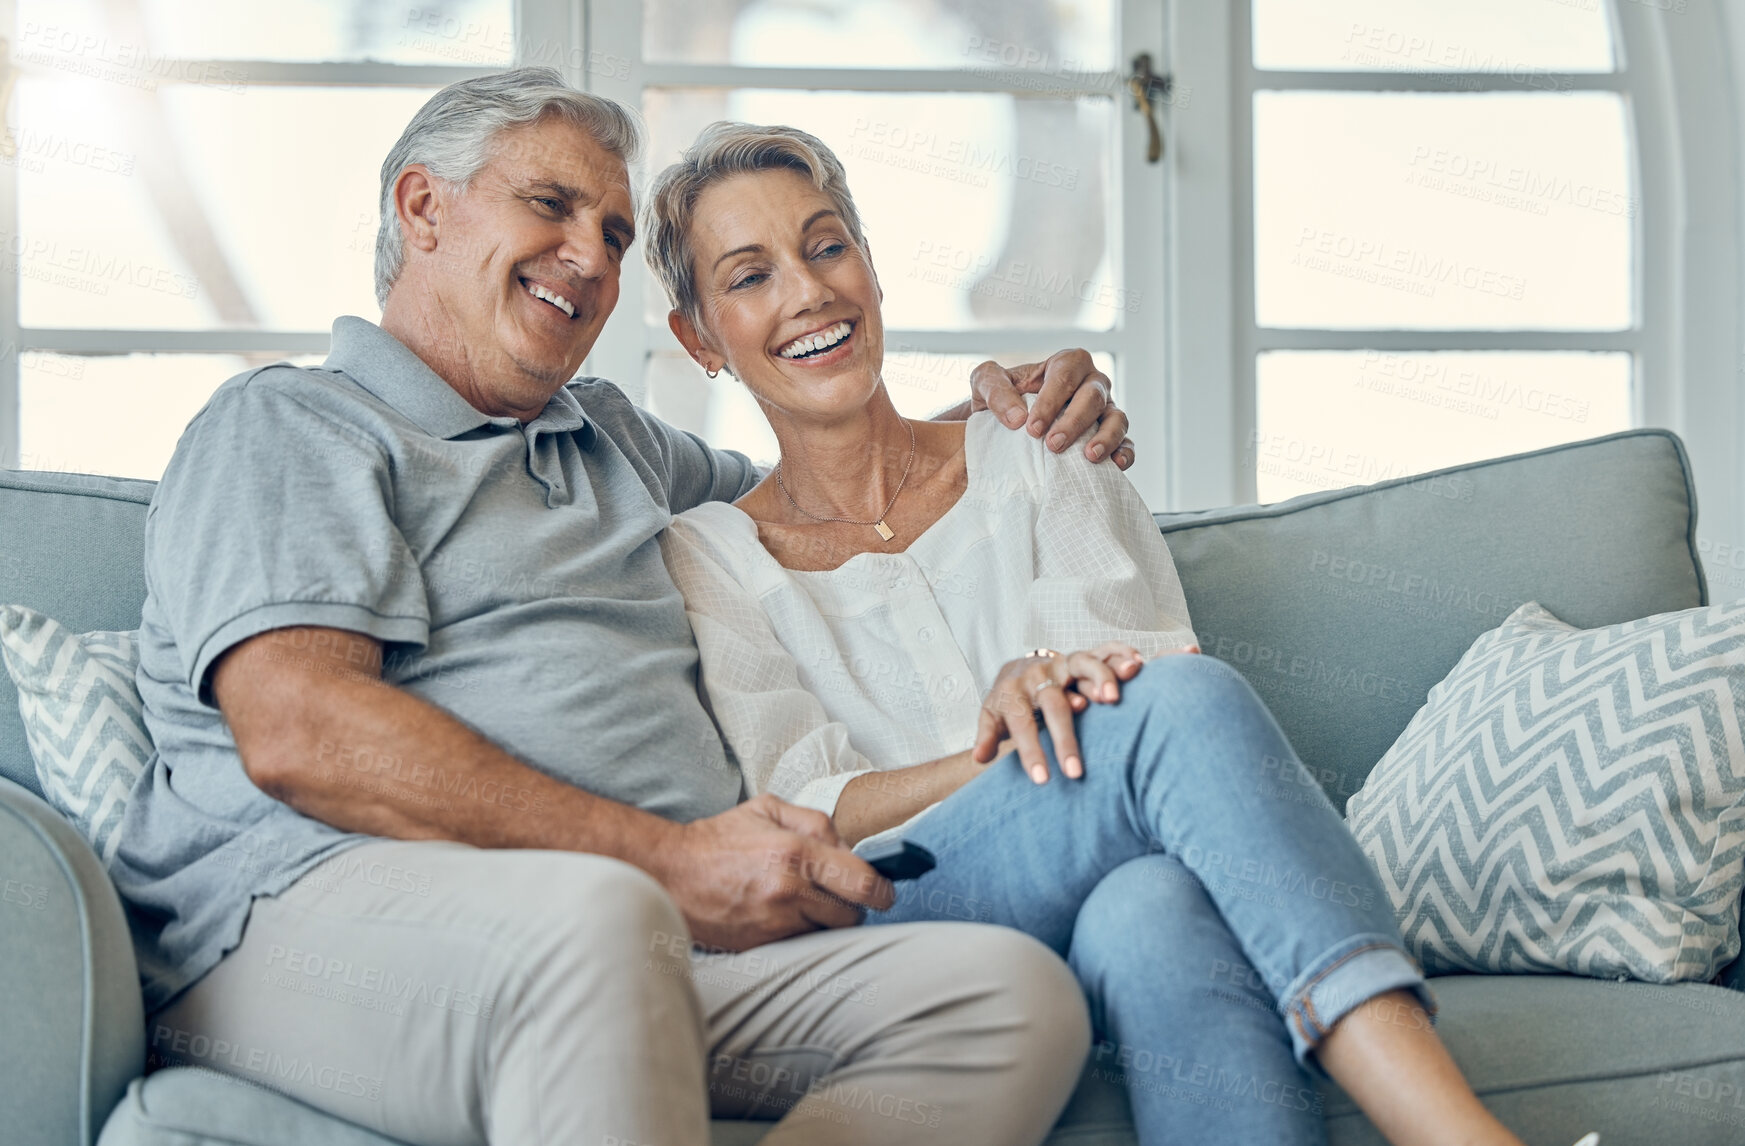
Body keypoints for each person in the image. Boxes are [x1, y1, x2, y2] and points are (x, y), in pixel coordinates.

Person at [113, 69, 1135, 1146]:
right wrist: (664, 861)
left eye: (610, 232)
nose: (593, 258)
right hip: (303, 924)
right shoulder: (294, 425)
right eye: (550, 207)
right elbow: (300, 730)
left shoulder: (613, 440)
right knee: (600, 923)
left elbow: (827, 499)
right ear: (423, 209)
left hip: (641, 945)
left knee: (1004, 995)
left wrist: (1013, 426)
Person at [648, 122, 1599, 1146]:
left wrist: (1063, 696)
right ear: (701, 339)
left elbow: (1128, 678)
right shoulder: (709, 553)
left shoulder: (1037, 445)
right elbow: (809, 809)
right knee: (1176, 710)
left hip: (1106, 882)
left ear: (872, 269)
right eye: (748, 277)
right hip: (895, 910)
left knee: (1150, 906)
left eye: (827, 246)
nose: (806, 292)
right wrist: (999, 741)